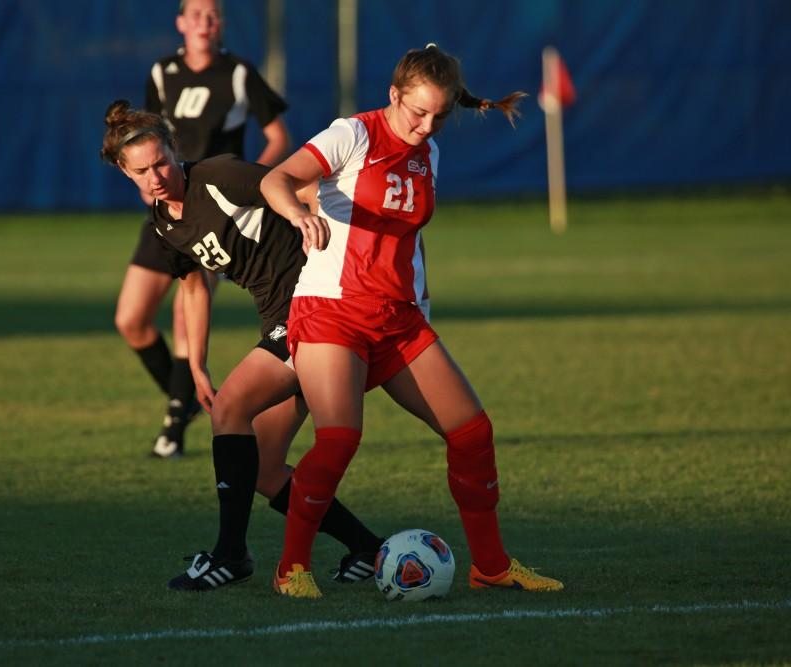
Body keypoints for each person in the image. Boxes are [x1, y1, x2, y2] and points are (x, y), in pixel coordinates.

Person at [260, 44, 565, 598]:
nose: (426, 126)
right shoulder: (352, 134)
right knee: (340, 437)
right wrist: (300, 212)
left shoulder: (431, 155)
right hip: (332, 310)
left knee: (473, 433)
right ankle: (292, 568)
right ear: (393, 95)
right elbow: (276, 179)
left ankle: (492, 566)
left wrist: (422, 303)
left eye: (440, 116)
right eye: (417, 112)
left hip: (397, 318)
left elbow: (408, 240)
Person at [101, 100, 383, 591]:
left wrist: (312, 224)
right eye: (143, 171)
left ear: (174, 149)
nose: (157, 177)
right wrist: (197, 366)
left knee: (229, 410)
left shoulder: (218, 176)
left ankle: (230, 555)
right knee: (264, 468)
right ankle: (368, 547)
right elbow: (193, 287)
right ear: (126, 173)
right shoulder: (164, 224)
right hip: (278, 318)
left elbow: (294, 183)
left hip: (311, 307)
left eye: (162, 162)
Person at [116, 0, 291, 458]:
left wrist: (257, 188)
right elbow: (141, 138)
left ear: (221, 24)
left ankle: (173, 426)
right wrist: (146, 181)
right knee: (131, 320)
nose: (204, 21)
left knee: (185, 307)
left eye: (212, 14)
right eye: (195, 13)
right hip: (165, 213)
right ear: (180, 22)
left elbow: (279, 136)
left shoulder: (236, 73)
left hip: (213, 207)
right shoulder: (163, 72)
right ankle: (186, 398)